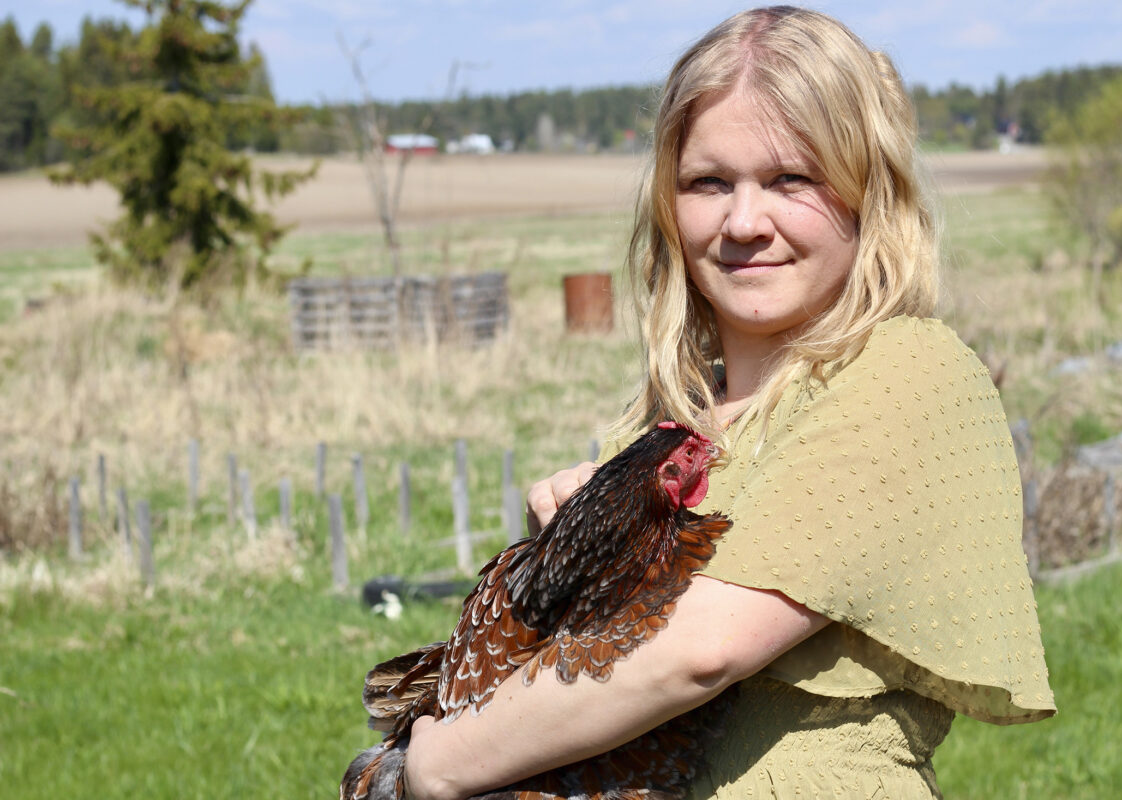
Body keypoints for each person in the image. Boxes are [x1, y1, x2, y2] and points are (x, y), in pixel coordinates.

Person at [403, 6, 1055, 798]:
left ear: (866, 191)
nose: (745, 222)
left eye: (791, 179)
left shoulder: (906, 372)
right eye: (709, 182)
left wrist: (438, 766)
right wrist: (576, 540)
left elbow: (699, 650)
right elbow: (584, 668)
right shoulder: (666, 423)